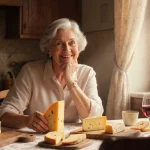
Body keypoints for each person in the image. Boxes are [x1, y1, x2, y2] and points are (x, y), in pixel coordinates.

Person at [0, 18, 103, 133]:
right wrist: (27, 120)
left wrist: (70, 81)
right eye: (59, 43)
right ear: (49, 49)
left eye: (72, 43)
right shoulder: (30, 72)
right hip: (38, 141)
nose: (67, 49)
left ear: (78, 47)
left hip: (74, 140)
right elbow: (4, 113)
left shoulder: (87, 73)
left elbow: (94, 116)